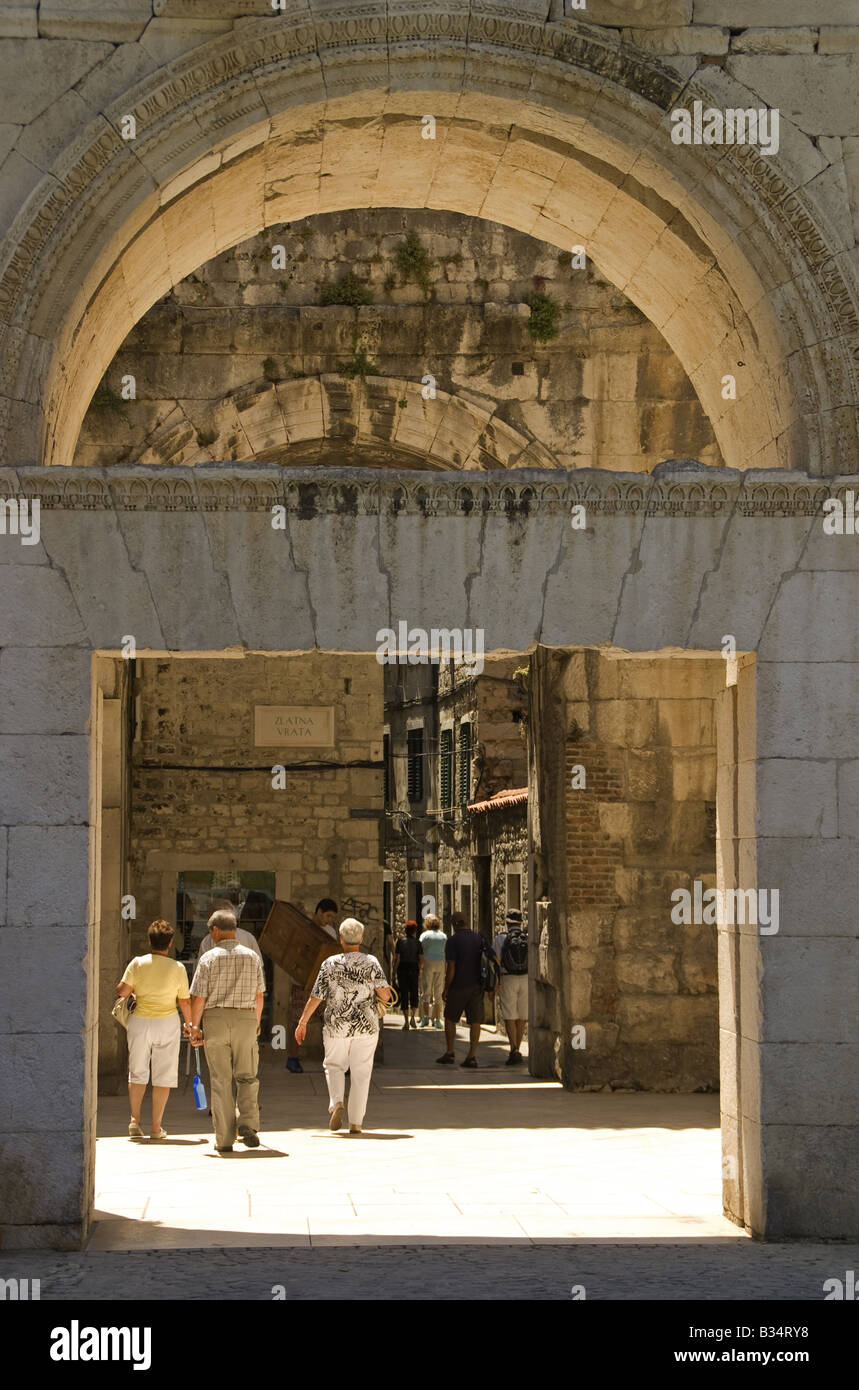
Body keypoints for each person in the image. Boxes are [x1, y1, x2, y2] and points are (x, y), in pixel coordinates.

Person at [295, 917, 391, 1135]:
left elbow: (316, 996)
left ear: (340, 939)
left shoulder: (330, 963)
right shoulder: (372, 962)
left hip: (337, 1024)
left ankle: (337, 1102)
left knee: (334, 1065)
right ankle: (356, 1122)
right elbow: (385, 993)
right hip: (366, 1025)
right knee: (362, 1072)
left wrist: (303, 1021)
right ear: (362, 939)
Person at [187, 909, 266, 1153]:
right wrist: (257, 1021)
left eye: (211, 931)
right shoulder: (252, 957)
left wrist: (195, 1027)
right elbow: (259, 995)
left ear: (217, 930)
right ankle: (249, 1124)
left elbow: (198, 997)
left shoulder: (208, 958)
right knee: (248, 1076)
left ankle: (223, 1138)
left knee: (221, 1080)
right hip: (245, 1018)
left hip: (216, 1019)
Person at [116, 919, 193, 1140]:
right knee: (164, 1075)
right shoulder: (177, 968)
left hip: (139, 1022)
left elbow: (122, 991)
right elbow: (185, 1002)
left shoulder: (137, 963)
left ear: (149, 941)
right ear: (170, 944)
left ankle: (134, 1119)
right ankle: (156, 1127)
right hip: (167, 1022)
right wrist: (190, 1025)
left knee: (137, 1071)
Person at [436, 910, 497, 1069]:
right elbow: (495, 959)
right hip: (477, 986)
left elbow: (451, 968)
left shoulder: (452, 941)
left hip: (458, 986)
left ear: (454, 924)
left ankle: (450, 1052)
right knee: (475, 1021)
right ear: (467, 922)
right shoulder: (479, 938)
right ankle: (471, 1056)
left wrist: (446, 988)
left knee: (450, 1018)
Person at [286, 898, 338, 1073]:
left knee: (329, 1021)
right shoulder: (304, 928)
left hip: (323, 984)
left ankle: (333, 1060)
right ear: (319, 912)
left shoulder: (330, 931)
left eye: (331, 917)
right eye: (328, 916)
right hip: (301, 983)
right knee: (297, 1020)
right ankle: (292, 1058)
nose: (329, 920)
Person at [492, 908, 529, 1065]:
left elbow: (496, 960)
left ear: (507, 922)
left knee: (509, 1015)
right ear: (520, 922)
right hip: (526, 978)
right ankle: (518, 1048)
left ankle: (513, 1048)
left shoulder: (501, 938)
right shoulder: (527, 937)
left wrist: (496, 982)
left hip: (508, 978)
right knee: (522, 1016)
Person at [418, 914, 447, 1028]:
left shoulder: (424, 936)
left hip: (428, 963)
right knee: (438, 992)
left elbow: (421, 950)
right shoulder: (443, 936)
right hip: (440, 963)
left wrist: (420, 965)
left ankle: (425, 1017)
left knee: (426, 991)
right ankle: (437, 1019)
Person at [394, 919, 423, 1029]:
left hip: (402, 969)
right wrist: (420, 970)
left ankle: (406, 1021)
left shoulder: (400, 942)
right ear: (415, 931)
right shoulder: (418, 943)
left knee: (404, 994)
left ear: (405, 930)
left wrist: (393, 972)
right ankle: (412, 1018)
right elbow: (421, 959)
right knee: (414, 993)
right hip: (414, 969)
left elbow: (397, 959)